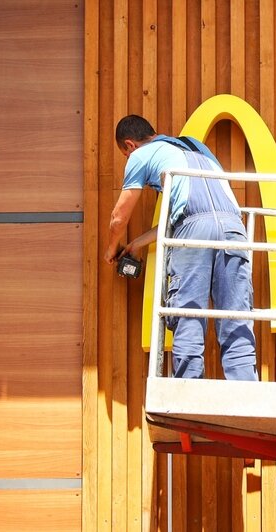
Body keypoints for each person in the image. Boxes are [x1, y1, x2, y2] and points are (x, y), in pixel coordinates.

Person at [104, 115, 258, 381]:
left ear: (129, 145)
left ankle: (188, 387)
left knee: (188, 313)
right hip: (234, 228)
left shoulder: (141, 156)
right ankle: (245, 388)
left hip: (192, 229)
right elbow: (195, 213)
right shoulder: (196, 147)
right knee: (236, 314)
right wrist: (136, 244)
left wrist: (111, 248)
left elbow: (119, 217)